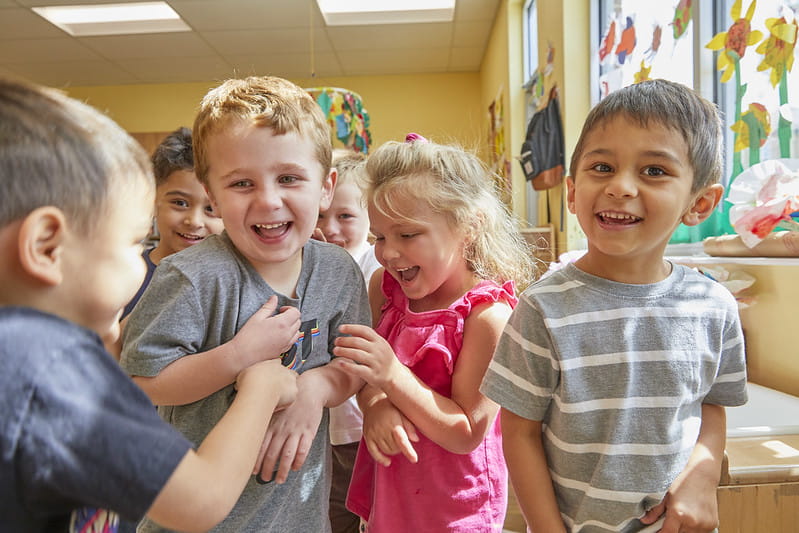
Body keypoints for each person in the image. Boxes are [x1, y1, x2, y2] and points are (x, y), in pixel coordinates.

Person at [0, 76, 298, 532]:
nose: (140, 264)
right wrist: (262, 387)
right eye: (131, 242)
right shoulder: (45, 363)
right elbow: (200, 500)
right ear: (45, 246)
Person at [480, 79, 748, 533]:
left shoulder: (714, 306)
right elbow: (519, 432)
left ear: (699, 203)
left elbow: (712, 405)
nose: (621, 187)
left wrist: (703, 475)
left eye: (654, 172)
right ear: (571, 191)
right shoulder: (543, 309)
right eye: (602, 167)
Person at [120, 75, 371, 533]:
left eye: (290, 178)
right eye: (241, 184)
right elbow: (142, 379)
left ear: (326, 187)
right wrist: (237, 357)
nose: (269, 200)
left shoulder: (339, 272)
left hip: (300, 518)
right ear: (212, 194)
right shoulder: (190, 277)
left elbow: (353, 364)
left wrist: (314, 389)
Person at [330, 134, 537, 532]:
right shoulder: (383, 289)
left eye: (407, 235)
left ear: (468, 226)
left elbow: (466, 433)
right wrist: (375, 404)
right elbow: (364, 371)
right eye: (379, 237)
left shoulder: (487, 316)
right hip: (390, 495)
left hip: (455, 508)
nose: (389, 253)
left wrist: (392, 377)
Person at [316, 149, 380, 533]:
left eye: (346, 216)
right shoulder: (312, 264)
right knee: (335, 510)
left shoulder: (375, 266)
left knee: (370, 509)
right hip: (328, 426)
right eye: (323, 215)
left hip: (363, 424)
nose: (332, 228)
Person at [121, 126, 224, 320]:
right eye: (180, 203)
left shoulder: (231, 283)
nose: (194, 221)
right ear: (153, 199)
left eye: (210, 209)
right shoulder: (127, 275)